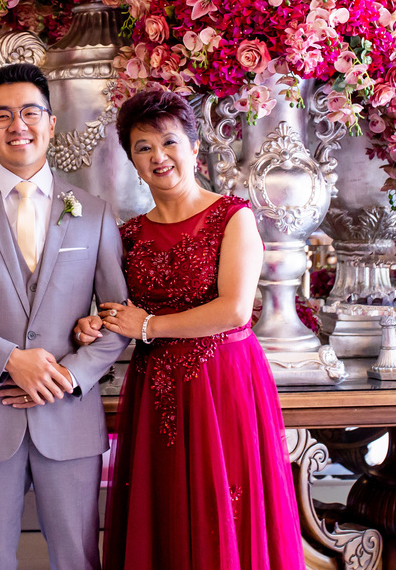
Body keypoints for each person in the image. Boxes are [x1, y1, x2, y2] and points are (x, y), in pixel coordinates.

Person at [75, 88, 304, 569]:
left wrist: (148, 325)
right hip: (155, 388)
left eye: (169, 142)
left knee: (224, 511)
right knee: (165, 513)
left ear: (194, 148)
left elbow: (234, 310)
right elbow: (121, 310)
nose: (158, 156)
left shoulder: (233, 217)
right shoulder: (127, 235)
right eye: (143, 147)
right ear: (133, 162)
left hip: (223, 384)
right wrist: (95, 323)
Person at [0, 63, 129, 570]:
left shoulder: (94, 213)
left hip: (68, 416)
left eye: (31, 112)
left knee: (77, 559)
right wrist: (8, 361)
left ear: (51, 124)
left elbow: (117, 318)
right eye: (2, 115)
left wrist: (66, 377)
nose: (18, 126)